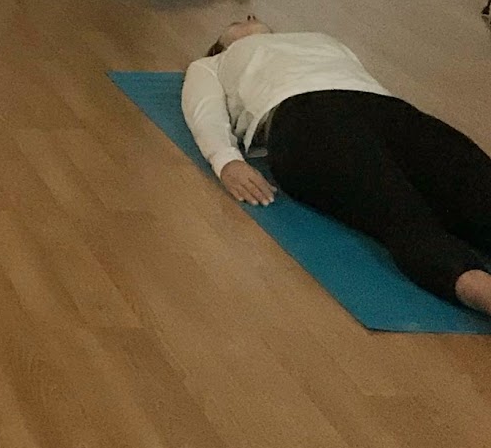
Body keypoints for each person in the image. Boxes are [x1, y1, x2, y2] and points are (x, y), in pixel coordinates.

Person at [183, 17, 491, 317]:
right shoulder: (213, 63)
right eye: (235, 23)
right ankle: (478, 289)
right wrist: (226, 160)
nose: (247, 17)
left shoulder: (318, 39)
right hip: (303, 116)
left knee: (476, 183)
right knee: (399, 210)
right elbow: (203, 108)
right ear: (221, 45)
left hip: (386, 108)